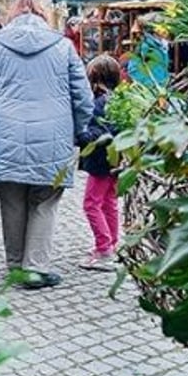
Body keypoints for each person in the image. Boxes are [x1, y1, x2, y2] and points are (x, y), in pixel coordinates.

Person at [0, 0, 94, 290]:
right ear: (43, 16)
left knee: (11, 201)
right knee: (44, 202)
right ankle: (36, 267)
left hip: (6, 132)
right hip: (54, 134)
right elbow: (84, 99)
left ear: (13, 16)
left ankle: (15, 266)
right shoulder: (63, 46)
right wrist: (76, 131)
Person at [76, 55, 122, 271]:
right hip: (114, 159)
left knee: (91, 203)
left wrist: (80, 135)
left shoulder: (99, 103)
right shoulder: (116, 99)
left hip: (100, 161)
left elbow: (98, 134)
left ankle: (104, 249)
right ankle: (112, 243)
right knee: (108, 202)